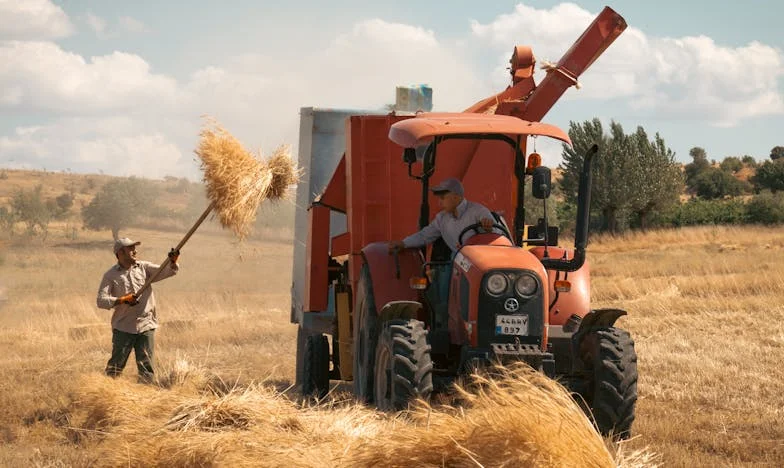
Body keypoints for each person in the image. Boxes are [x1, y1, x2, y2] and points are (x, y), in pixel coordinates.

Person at [96, 237, 180, 383]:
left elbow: (167, 271)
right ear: (120, 253)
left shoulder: (144, 267)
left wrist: (173, 261)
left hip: (146, 325)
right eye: (131, 249)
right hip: (123, 327)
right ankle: (105, 392)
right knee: (116, 366)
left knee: (146, 366)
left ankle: (146, 396)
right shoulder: (110, 275)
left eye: (134, 248)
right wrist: (122, 300)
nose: (135, 251)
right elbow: (101, 300)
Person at [388, 178, 495, 254]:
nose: (439, 203)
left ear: (456, 197)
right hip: (458, 263)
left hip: (480, 261)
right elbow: (424, 236)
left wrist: (488, 226)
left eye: (442, 198)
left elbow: (496, 234)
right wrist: (404, 243)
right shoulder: (442, 218)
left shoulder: (478, 211)